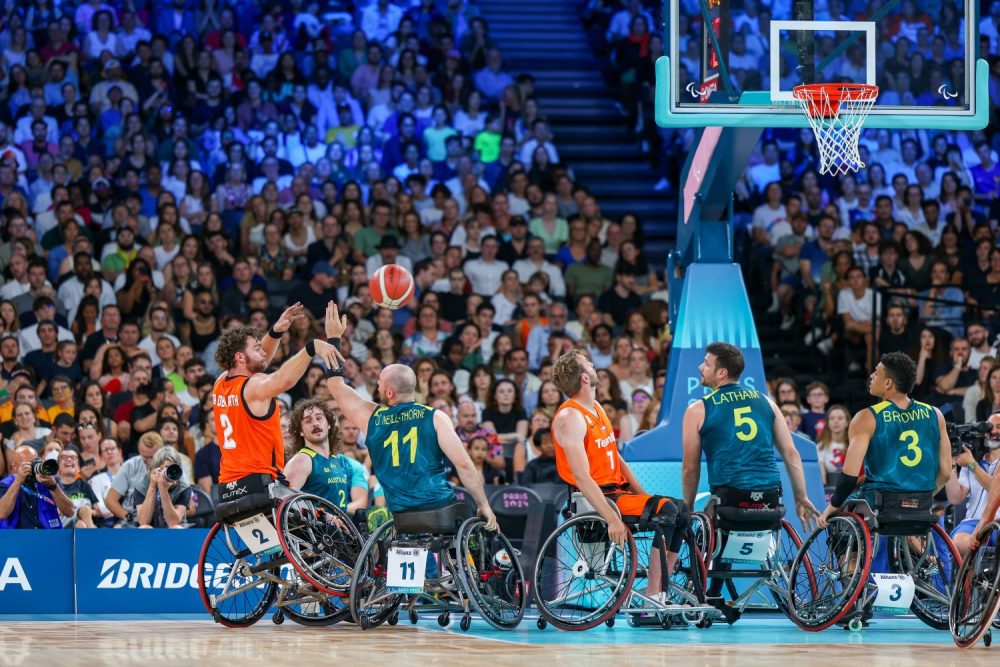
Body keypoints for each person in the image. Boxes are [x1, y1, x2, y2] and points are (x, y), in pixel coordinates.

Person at [322, 302, 497, 529]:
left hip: (400, 514)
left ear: (390, 392)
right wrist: (483, 504)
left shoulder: (371, 417)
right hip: (440, 508)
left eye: (380, 383)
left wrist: (334, 338)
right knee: (472, 525)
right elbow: (463, 464)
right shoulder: (436, 417)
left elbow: (335, 385)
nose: (376, 384)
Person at [681, 342, 818, 619]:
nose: (700, 367)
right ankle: (716, 593)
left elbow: (690, 468)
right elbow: (791, 454)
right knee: (723, 521)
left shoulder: (699, 408)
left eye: (705, 363)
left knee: (707, 520)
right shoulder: (767, 403)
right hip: (771, 501)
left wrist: (686, 507)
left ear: (721, 373)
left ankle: (702, 593)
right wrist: (801, 497)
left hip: (729, 501)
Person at [549, 350, 683, 606]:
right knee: (668, 510)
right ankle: (652, 598)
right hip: (599, 498)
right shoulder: (570, 417)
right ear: (585, 378)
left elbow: (617, 458)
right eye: (587, 363)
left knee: (681, 511)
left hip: (618, 492)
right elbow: (581, 476)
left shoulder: (597, 408)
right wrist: (611, 519)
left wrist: (643, 495)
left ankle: (661, 590)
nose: (592, 364)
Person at [213, 304, 339, 498]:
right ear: (239, 357)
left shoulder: (220, 383)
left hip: (227, 488)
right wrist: (310, 349)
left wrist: (275, 332)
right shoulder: (253, 386)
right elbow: (283, 379)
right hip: (260, 485)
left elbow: (257, 360)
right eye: (257, 348)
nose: (263, 351)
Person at [817, 353, 951, 530]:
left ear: (888, 383)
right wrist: (922, 496)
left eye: (876, 372)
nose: (872, 376)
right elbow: (946, 472)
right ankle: (917, 553)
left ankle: (849, 558)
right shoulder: (935, 414)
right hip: (922, 501)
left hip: (880, 503)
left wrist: (832, 507)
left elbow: (849, 477)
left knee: (840, 520)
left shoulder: (867, 417)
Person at [283, 397, 369, 514]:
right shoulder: (302, 460)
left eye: (319, 418)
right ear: (301, 431)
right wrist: (323, 515)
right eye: (308, 421)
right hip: (313, 531)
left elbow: (337, 508)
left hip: (337, 530)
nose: (315, 423)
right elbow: (283, 500)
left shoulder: (336, 460)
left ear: (329, 424)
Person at [946, 413, 1000, 557]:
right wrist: (951, 461)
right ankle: (971, 578)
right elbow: (955, 498)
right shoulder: (972, 458)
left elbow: (996, 489)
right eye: (989, 428)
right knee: (959, 541)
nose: (993, 431)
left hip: (997, 523)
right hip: (971, 523)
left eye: (999, 427)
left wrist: (971, 465)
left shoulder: (971, 462)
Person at [0, 445, 76, 528]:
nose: (33, 467)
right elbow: (2, 513)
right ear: (15, 466)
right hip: (18, 537)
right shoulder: (7, 484)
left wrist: (53, 486)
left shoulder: (50, 480)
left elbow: (70, 512)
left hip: (49, 536)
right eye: (28, 464)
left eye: (35, 462)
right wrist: (18, 482)